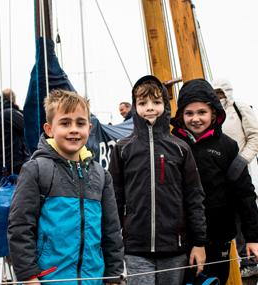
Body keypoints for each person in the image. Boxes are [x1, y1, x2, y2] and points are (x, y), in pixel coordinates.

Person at [8, 89, 124, 285]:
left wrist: (113, 275)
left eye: (80, 123)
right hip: (49, 279)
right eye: (65, 123)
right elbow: (20, 227)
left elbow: (111, 231)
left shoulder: (101, 176)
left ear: (90, 127)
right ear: (49, 129)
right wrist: (28, 276)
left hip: (94, 279)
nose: (74, 129)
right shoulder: (36, 170)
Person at [109, 75, 207, 284]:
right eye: (142, 103)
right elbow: (114, 198)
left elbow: (194, 197)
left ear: (165, 104)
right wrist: (112, 243)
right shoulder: (122, 149)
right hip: (135, 248)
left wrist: (199, 243)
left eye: (156, 102)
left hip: (174, 247)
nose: (150, 107)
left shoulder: (180, 148)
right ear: (135, 107)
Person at [171, 78, 258, 284]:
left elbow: (244, 193)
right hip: (181, 240)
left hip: (218, 237)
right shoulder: (172, 146)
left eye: (202, 112)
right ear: (181, 116)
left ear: (214, 114)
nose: (196, 119)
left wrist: (253, 237)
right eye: (189, 113)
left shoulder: (227, 146)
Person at [212, 78, 258, 278]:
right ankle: (239, 262)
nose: (218, 96)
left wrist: (242, 160)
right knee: (231, 219)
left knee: (246, 211)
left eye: (220, 92)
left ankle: (251, 259)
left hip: (242, 171)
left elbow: (255, 135)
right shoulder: (212, 113)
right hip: (221, 176)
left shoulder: (239, 108)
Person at [0, 88, 30, 177]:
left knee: (4, 188)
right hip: (15, 163)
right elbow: (28, 130)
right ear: (13, 99)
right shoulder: (12, 114)